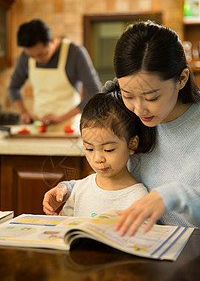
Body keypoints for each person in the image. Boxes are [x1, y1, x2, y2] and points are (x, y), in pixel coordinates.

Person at [43, 21, 200, 234]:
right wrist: (69, 189)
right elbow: (110, 178)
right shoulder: (130, 116)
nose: (139, 109)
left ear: (181, 79)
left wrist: (175, 196)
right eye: (128, 95)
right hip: (142, 250)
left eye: (151, 97)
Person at [43, 81, 156, 217]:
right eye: (89, 149)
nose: (98, 159)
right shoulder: (79, 190)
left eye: (108, 149)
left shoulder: (139, 197)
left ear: (132, 144)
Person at [8, 19, 101, 131]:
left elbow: (94, 92)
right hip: (39, 129)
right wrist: (23, 112)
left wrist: (61, 118)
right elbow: (13, 87)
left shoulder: (76, 53)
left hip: (69, 129)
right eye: (32, 56)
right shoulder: (25, 56)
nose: (38, 60)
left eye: (42, 54)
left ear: (52, 41)